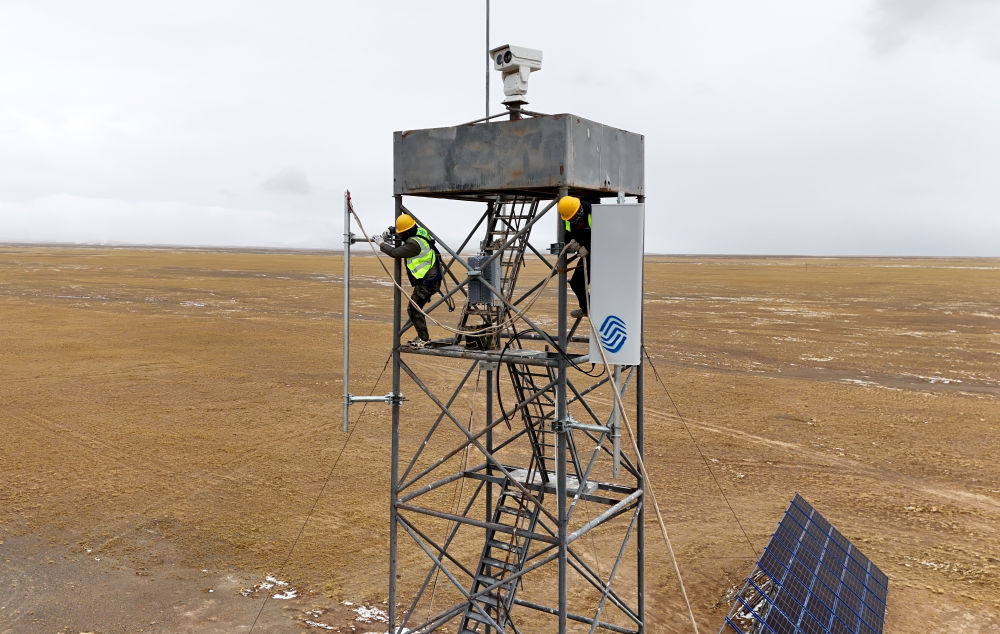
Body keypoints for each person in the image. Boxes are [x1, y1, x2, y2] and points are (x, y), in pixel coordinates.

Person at [375, 213, 443, 348]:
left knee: (413, 310)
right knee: (415, 308)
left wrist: (381, 244)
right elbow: (405, 228)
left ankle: (424, 339)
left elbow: (395, 253)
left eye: (401, 233)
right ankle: (423, 337)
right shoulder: (419, 231)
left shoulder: (413, 244)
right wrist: (391, 230)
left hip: (427, 283)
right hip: (430, 279)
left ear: (407, 232)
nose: (400, 236)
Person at [558, 195, 592, 319]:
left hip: (602, 254)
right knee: (576, 283)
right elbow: (568, 234)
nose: (572, 221)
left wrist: (588, 247)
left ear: (579, 210)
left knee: (601, 284)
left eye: (573, 218)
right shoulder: (568, 219)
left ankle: (595, 309)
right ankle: (587, 309)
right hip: (585, 254)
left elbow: (603, 234)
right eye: (570, 219)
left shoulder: (592, 212)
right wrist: (572, 242)